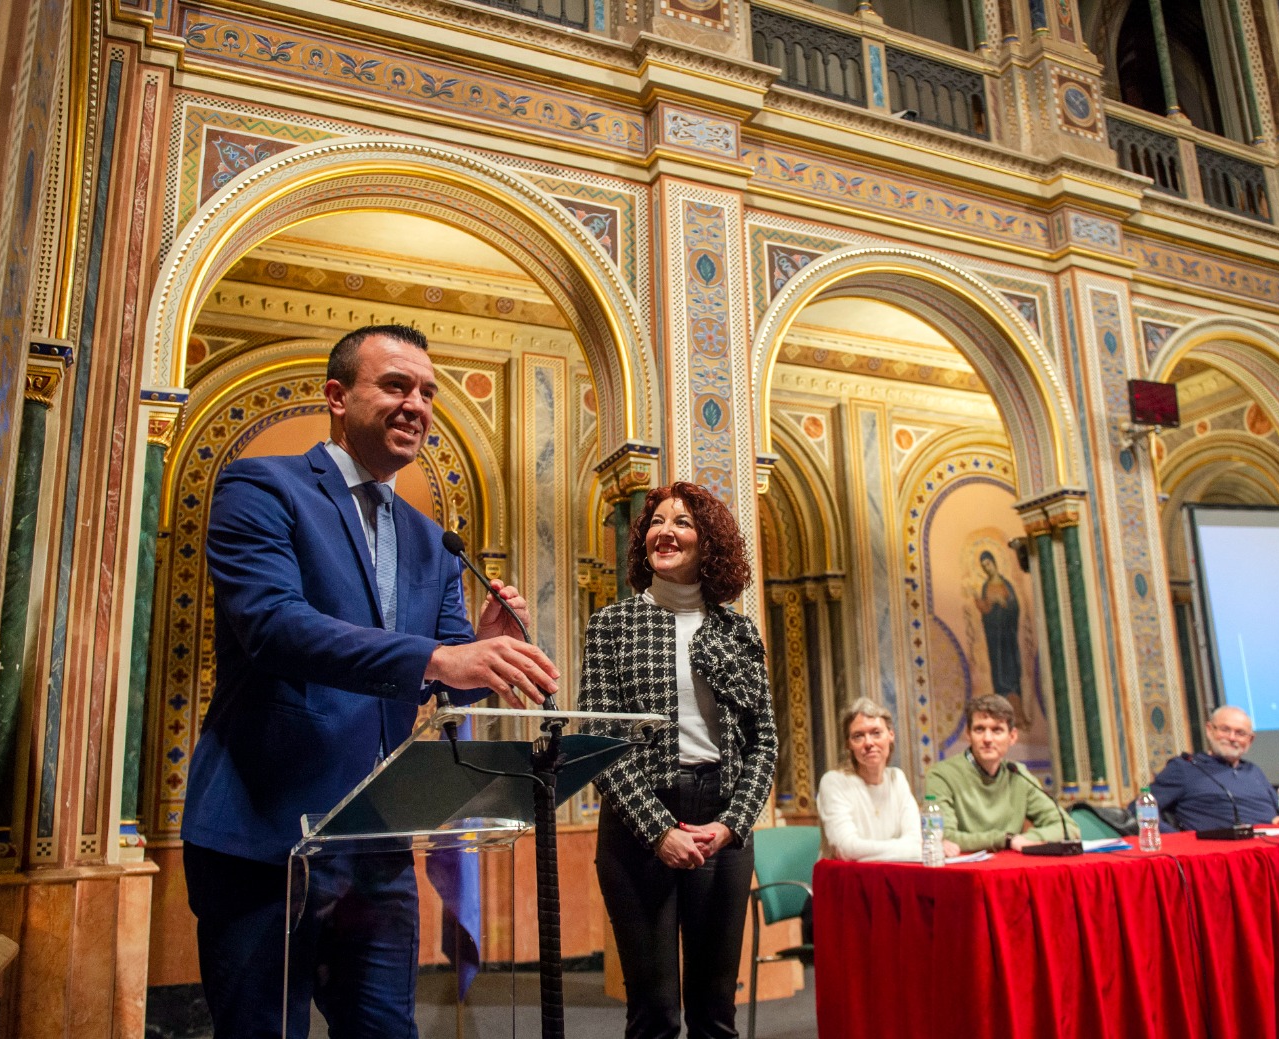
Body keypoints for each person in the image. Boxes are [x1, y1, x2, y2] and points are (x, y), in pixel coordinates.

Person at [180, 324, 560, 1038]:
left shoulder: (430, 537)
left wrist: (484, 649)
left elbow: (445, 678)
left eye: (427, 391)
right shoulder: (261, 487)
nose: (416, 403)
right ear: (336, 395)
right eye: (395, 385)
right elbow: (273, 626)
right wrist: (440, 657)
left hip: (377, 840)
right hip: (265, 833)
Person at [579, 482, 778, 1039]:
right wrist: (658, 830)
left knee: (716, 1012)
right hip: (640, 824)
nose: (665, 531)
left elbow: (765, 742)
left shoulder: (738, 631)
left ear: (707, 542)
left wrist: (733, 823)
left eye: (683, 522)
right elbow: (599, 739)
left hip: (721, 819)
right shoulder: (612, 626)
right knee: (654, 1012)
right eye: (657, 522)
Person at [923, 693, 1075, 853]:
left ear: (1012, 736)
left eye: (997, 730)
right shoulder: (941, 775)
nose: (987, 739)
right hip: (965, 870)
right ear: (968, 734)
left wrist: (1026, 839)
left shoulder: (1018, 774)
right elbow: (944, 836)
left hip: (1011, 869)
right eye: (979, 729)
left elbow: (1067, 827)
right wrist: (1006, 839)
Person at [1138, 705, 1279, 832]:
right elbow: (1140, 809)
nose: (1232, 737)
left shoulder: (1253, 771)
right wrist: (1180, 841)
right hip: (1223, 853)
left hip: (1273, 847)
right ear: (1209, 730)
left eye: (1240, 733)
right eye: (1225, 729)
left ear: (1250, 740)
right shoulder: (1184, 767)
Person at [816, 697, 922, 862]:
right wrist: (905, 848)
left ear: (891, 735)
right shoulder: (834, 782)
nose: (869, 743)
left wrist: (866, 853)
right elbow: (846, 849)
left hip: (891, 878)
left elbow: (917, 842)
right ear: (848, 745)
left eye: (876, 733)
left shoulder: (897, 779)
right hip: (846, 882)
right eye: (858, 736)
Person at [972, 550, 1025, 726]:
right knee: (999, 671)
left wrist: (1005, 604)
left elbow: (1015, 608)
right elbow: (986, 612)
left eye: (988, 563)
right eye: (984, 566)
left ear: (994, 562)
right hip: (994, 637)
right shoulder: (986, 587)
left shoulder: (1006, 584)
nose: (987, 568)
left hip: (1008, 636)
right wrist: (985, 606)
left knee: (1011, 670)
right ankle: (1002, 716)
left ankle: (1017, 712)